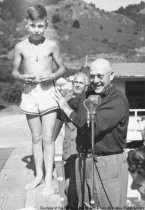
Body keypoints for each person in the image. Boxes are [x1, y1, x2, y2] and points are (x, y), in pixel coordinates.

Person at [53, 58, 129, 209]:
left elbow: (92, 126)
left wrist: (67, 110)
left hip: (107, 163)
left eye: (100, 76)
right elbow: (63, 110)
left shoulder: (117, 100)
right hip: (83, 161)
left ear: (111, 75)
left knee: (107, 206)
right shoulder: (87, 94)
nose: (96, 80)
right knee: (85, 206)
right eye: (93, 76)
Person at [12, 4, 65, 196]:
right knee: (36, 137)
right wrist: (22, 77)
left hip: (47, 93)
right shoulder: (20, 47)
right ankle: (39, 175)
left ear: (46, 24)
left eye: (40, 26)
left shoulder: (52, 45)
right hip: (29, 93)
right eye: (33, 25)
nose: (36, 30)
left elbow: (62, 69)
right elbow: (15, 72)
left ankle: (49, 181)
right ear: (26, 24)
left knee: (48, 137)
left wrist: (51, 77)